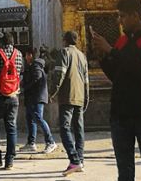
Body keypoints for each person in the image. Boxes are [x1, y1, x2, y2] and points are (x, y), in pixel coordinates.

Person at [92, 0, 141, 181]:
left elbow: (138, 66)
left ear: (135, 15)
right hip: (121, 112)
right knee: (124, 171)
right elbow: (117, 75)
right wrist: (103, 57)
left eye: (122, 16)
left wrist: (111, 51)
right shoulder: (122, 42)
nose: (119, 20)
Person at [50, 30, 89, 176]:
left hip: (67, 96)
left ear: (65, 40)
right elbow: (86, 81)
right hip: (79, 96)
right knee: (79, 129)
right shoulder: (82, 56)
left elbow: (59, 74)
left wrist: (52, 92)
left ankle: (74, 159)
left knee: (65, 127)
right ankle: (80, 160)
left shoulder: (64, 52)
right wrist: (86, 98)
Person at [0, 32, 24, 170]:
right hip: (13, 97)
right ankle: (10, 161)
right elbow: (20, 72)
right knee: (11, 129)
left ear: (2, 42)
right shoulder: (19, 54)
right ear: (13, 42)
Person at [20, 46, 57, 154]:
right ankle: (31, 143)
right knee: (30, 119)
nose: (25, 57)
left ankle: (50, 142)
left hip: (36, 97)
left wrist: (24, 86)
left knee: (38, 118)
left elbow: (35, 79)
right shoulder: (32, 66)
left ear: (30, 55)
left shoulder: (36, 66)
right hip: (32, 97)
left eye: (26, 55)